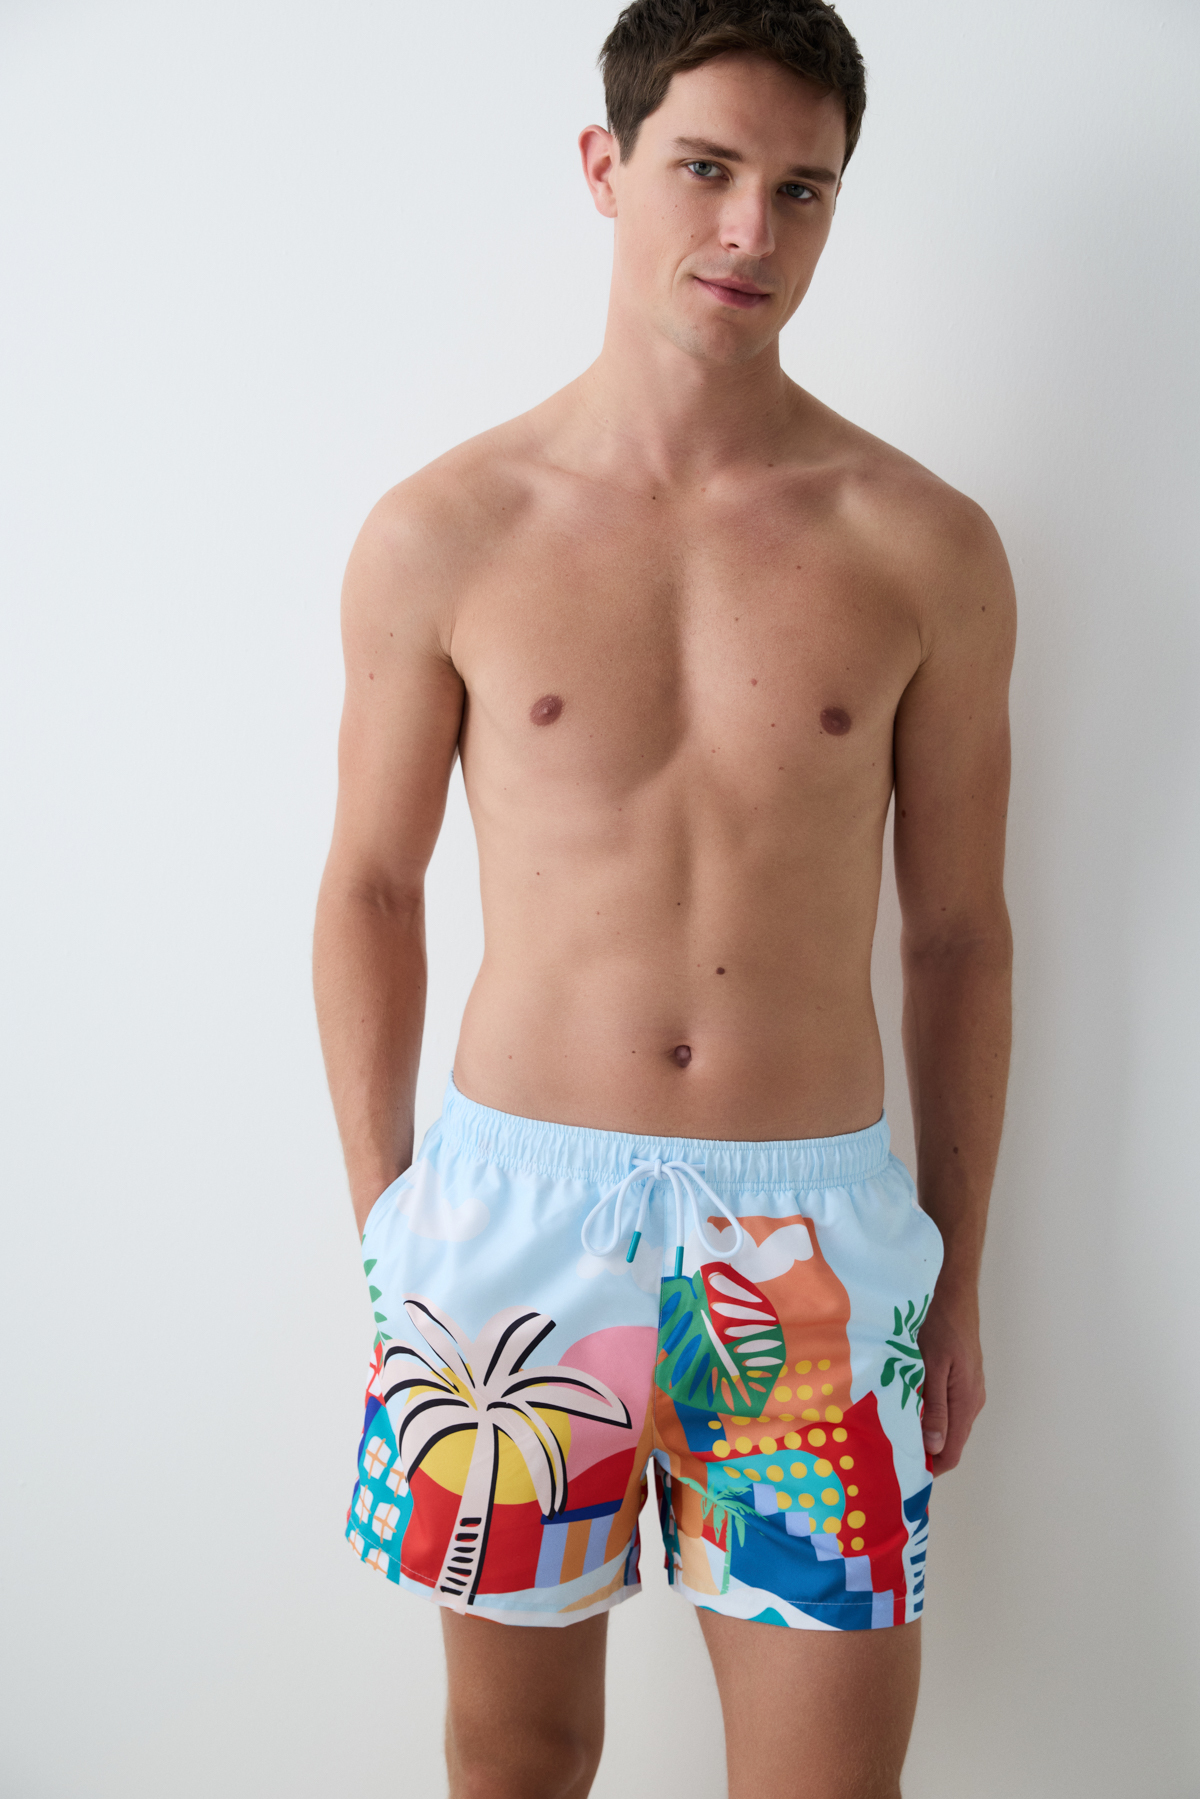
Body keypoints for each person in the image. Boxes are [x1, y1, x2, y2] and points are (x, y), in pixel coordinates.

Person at [313, 2, 1013, 1794]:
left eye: (803, 189)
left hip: (812, 1243)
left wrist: (957, 1266)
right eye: (706, 168)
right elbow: (372, 884)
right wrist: (391, 1222)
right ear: (606, 166)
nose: (749, 231)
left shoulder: (923, 545)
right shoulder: (447, 529)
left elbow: (957, 933)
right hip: (510, 1227)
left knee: (826, 1780)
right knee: (518, 1762)